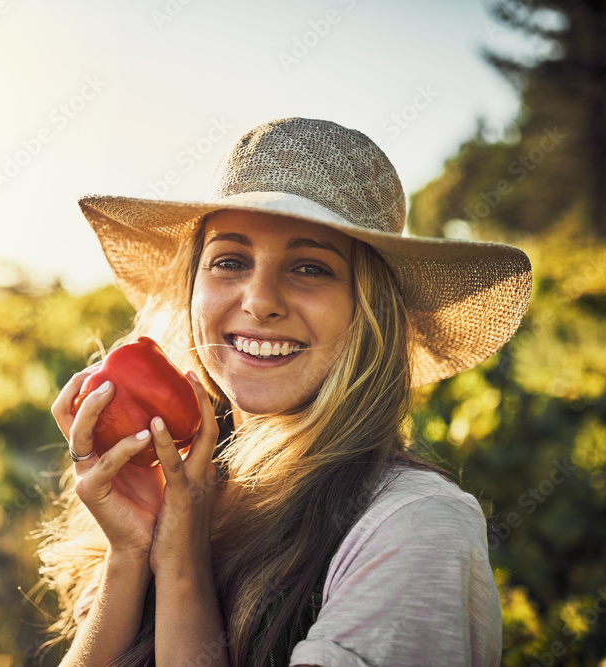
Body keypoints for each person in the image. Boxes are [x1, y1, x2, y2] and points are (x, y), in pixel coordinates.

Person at [36, 118, 532, 666]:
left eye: (310, 267)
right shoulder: (177, 482)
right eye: (229, 261)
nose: (260, 300)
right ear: (192, 287)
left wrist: (181, 571)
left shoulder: (414, 527)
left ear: (369, 311)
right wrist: (130, 553)